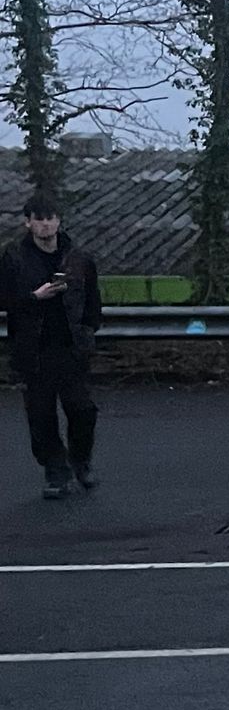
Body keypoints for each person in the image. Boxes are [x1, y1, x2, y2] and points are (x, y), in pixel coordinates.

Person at [2, 188, 102, 498]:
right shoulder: (14, 257)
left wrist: (87, 331)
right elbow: (4, 298)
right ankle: (56, 472)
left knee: (83, 409)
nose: (47, 225)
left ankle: (81, 461)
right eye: (40, 220)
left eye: (51, 219)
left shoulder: (79, 258)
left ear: (59, 221)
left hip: (71, 347)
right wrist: (34, 297)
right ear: (28, 223)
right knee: (41, 414)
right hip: (34, 349)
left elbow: (93, 301)